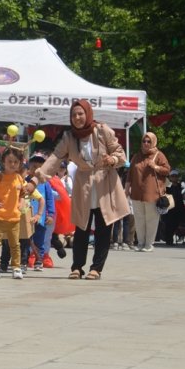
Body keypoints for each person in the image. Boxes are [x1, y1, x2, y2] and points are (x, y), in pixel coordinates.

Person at [30, 99, 130, 280]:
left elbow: (120, 153)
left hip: (104, 183)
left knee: (103, 228)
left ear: (88, 114)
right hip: (83, 184)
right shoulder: (69, 137)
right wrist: (35, 180)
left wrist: (112, 160)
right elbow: (54, 159)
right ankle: (77, 267)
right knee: (81, 228)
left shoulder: (102, 130)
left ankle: (96, 268)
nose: (77, 118)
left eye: (80, 114)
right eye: (74, 115)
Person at [0, 147, 37, 279]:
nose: (12, 164)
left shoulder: (19, 178)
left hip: (14, 218)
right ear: (3, 162)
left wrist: (21, 202)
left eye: (16, 162)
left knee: (15, 245)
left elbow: (23, 192)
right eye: (9, 161)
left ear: (20, 164)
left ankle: (16, 267)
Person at [126, 132, 171, 252]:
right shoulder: (136, 156)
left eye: (148, 141)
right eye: (144, 141)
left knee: (151, 219)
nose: (146, 143)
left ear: (154, 142)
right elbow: (130, 174)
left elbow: (167, 170)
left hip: (152, 193)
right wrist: (126, 189)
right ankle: (140, 243)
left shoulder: (159, 155)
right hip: (136, 192)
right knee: (139, 219)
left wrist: (155, 167)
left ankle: (149, 244)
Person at [26, 153, 55, 270]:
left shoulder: (45, 184)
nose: (36, 170)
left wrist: (50, 214)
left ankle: (39, 260)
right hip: (27, 217)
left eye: (40, 167)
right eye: (33, 166)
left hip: (41, 217)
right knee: (26, 239)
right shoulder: (25, 181)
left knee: (40, 239)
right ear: (29, 168)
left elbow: (49, 199)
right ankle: (25, 258)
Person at [161, 170, 185, 246]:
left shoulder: (180, 186)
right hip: (169, 209)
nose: (174, 178)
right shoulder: (167, 186)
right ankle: (169, 240)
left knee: (176, 224)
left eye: (176, 176)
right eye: (172, 176)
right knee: (168, 225)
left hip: (178, 208)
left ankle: (176, 236)